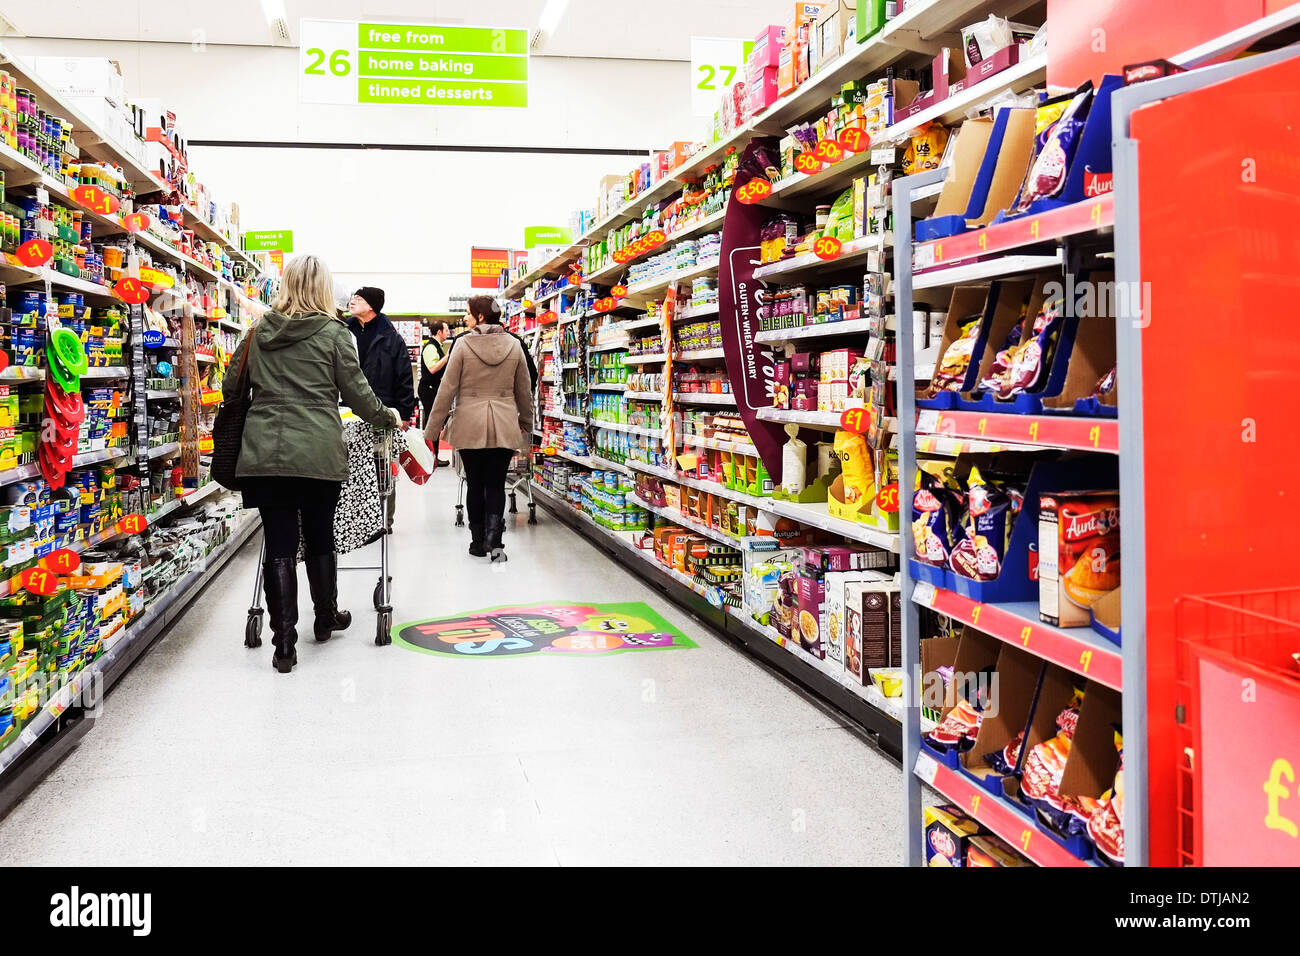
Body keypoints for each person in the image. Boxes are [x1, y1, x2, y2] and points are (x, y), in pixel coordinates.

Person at [231, 255, 402, 673]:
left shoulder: (257, 332)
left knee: (279, 542)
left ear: (285, 285)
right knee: (320, 534)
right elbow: (359, 395)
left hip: (265, 452)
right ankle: (325, 617)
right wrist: (387, 416)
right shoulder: (335, 333)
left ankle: (284, 645)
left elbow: (230, 385)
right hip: (318, 450)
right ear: (325, 289)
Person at [424, 295, 533, 562]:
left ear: (481, 316)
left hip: (469, 421)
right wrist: (526, 424)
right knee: (496, 484)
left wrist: (432, 429)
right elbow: (524, 390)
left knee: (475, 483)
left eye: (470, 312)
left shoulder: (462, 345)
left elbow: (446, 389)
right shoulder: (515, 345)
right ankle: (495, 541)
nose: (465, 317)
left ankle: (476, 542)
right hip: (505, 422)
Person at [347, 286, 417, 528]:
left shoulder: (391, 338)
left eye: (359, 299)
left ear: (372, 306)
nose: (352, 302)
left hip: (383, 410)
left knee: (383, 466)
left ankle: (383, 519)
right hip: (348, 411)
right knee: (351, 466)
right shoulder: (344, 331)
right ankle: (355, 519)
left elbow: (404, 377)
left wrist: (405, 413)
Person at [418, 320, 452, 467]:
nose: (449, 332)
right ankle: (431, 458)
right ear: (439, 332)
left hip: (433, 389)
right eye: (446, 330)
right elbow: (432, 368)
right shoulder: (431, 347)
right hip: (429, 390)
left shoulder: (437, 346)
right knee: (433, 424)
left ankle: (433, 457)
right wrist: (448, 356)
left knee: (435, 423)